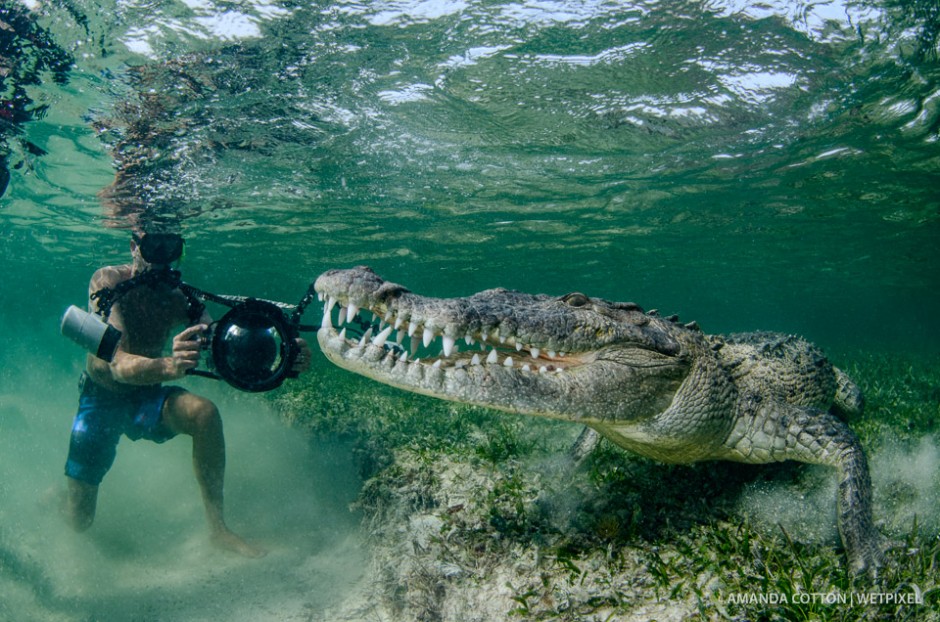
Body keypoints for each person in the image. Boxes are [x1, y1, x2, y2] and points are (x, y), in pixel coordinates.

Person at [63, 229, 311, 557]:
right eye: (154, 247)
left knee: (204, 414)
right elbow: (115, 365)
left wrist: (282, 358)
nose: (163, 258)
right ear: (134, 247)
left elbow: (220, 347)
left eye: (172, 248)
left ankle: (218, 530)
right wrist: (170, 365)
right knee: (80, 520)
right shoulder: (108, 282)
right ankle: (65, 496)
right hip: (101, 400)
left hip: (147, 396)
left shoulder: (181, 297)